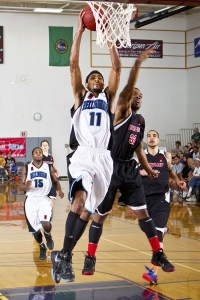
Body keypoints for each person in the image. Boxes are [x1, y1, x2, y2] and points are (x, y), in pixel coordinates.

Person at [81, 49, 175, 279]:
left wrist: (149, 167)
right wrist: (137, 65)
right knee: (100, 215)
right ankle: (90, 256)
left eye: (140, 95)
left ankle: (157, 253)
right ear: (127, 97)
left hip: (129, 168)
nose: (138, 97)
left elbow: (137, 146)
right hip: (110, 166)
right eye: (135, 94)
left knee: (144, 213)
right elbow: (127, 87)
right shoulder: (121, 110)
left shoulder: (140, 120)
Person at [51, 10, 121, 283]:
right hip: (83, 155)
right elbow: (73, 65)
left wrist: (111, 38)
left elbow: (116, 68)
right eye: (93, 77)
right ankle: (66, 258)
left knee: (88, 211)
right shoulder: (81, 96)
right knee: (78, 201)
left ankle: (64, 254)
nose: (97, 79)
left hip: (104, 158)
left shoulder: (108, 97)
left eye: (99, 78)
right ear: (87, 82)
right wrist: (80, 31)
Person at [140, 130, 186, 284]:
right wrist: (147, 172)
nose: (151, 138)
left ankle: (156, 269)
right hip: (145, 200)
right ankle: (154, 272)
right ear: (147, 140)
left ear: (159, 139)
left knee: (158, 233)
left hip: (162, 198)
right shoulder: (141, 155)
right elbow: (134, 173)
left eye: (154, 136)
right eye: (149, 136)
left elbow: (170, 171)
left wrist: (178, 181)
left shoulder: (166, 156)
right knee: (154, 236)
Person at [19, 147, 64, 260]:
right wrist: (25, 186)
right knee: (35, 230)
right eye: (36, 152)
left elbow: (55, 181)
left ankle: (48, 235)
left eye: (40, 153)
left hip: (44, 199)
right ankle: (41, 246)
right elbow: (20, 186)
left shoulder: (47, 167)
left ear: (42, 155)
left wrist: (59, 190)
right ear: (32, 155)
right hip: (31, 200)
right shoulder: (27, 168)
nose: (38, 154)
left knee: (45, 223)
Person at [40, 139, 59, 205]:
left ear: (48, 147)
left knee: (52, 196)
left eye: (46, 145)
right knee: (43, 197)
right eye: (43, 145)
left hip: (51, 178)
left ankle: (50, 211)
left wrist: (56, 171)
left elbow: (53, 166)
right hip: (42, 178)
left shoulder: (51, 157)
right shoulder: (39, 156)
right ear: (41, 147)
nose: (45, 146)